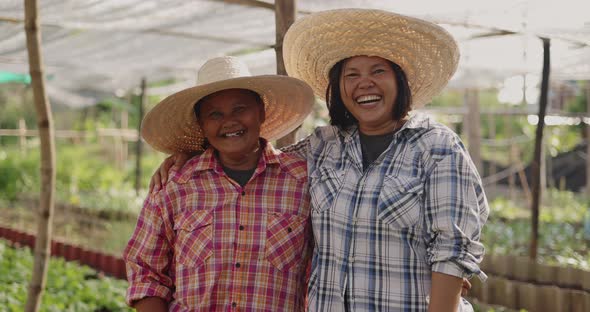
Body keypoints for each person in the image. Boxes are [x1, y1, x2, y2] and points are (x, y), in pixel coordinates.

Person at [149, 9, 488, 312]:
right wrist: (192, 153)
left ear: (400, 80)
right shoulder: (325, 146)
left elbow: (452, 252)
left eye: (378, 70)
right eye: (351, 74)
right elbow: (255, 156)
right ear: (338, 88)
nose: (364, 83)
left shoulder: (437, 148)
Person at [123, 56, 316, 311]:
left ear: (261, 112)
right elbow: (146, 273)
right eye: (215, 114)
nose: (230, 121)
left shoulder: (303, 182)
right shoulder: (177, 186)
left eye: (240, 109)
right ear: (202, 126)